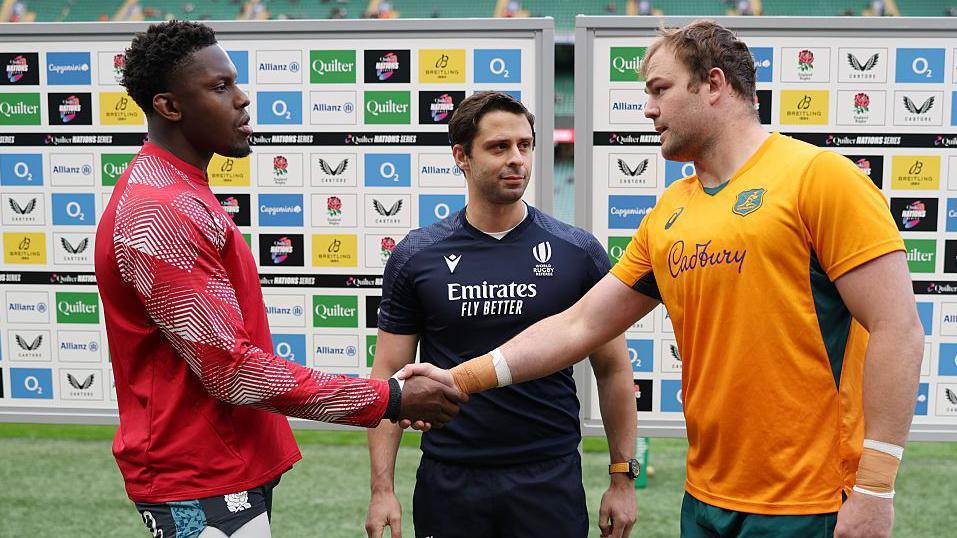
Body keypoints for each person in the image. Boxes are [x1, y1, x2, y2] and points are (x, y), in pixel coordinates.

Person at [401, 21, 923, 538]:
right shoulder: (671, 211)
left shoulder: (823, 179)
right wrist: (459, 379)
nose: (648, 109)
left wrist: (875, 488)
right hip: (704, 499)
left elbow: (897, 328)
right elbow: (581, 324)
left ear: (714, 84)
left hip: (810, 501)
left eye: (660, 90)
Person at [94, 20, 464, 537]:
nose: (242, 99)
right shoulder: (162, 211)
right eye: (220, 87)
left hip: (222, 465)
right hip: (199, 476)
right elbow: (231, 370)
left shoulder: (178, 190)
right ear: (169, 107)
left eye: (236, 83)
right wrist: (390, 399)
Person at [365, 91, 638, 538]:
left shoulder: (579, 251)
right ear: (461, 157)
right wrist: (382, 489)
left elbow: (613, 370)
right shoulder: (416, 256)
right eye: (499, 147)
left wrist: (622, 477)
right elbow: (389, 375)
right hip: (449, 478)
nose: (517, 159)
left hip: (549, 477)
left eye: (525, 145)